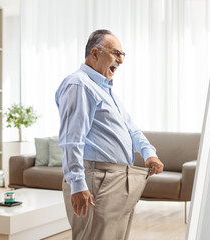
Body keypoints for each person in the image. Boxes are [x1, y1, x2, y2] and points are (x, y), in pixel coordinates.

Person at [55, 29, 164, 240]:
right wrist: (78, 185)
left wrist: (149, 152)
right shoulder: (79, 85)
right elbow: (72, 140)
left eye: (123, 54)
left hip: (117, 178)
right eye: (116, 53)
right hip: (97, 178)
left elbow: (131, 128)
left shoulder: (104, 89)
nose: (121, 60)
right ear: (95, 53)